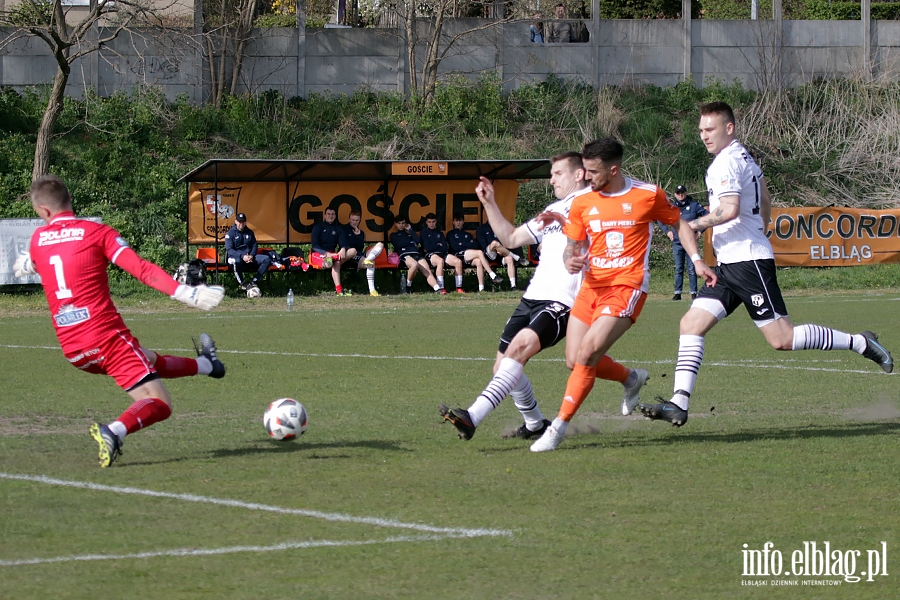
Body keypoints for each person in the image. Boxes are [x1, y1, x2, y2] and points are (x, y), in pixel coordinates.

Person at [639, 102, 893, 427]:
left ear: (729, 128)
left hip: (747, 262)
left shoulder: (727, 162)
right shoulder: (744, 157)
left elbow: (729, 209)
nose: (704, 136)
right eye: (701, 130)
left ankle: (860, 342)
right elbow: (766, 198)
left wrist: (696, 225)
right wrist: (761, 226)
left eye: (710, 129)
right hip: (730, 264)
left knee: (781, 339)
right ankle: (679, 403)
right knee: (691, 325)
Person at [13, 175, 227, 468]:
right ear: (70, 201)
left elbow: (39, 261)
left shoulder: (38, 240)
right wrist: (187, 293)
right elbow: (141, 269)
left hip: (74, 350)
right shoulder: (96, 233)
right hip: (105, 338)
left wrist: (29, 262)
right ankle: (113, 432)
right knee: (161, 403)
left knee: (147, 358)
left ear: (43, 211)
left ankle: (208, 366)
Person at [530, 137, 716, 452]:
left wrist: (697, 261)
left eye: (592, 171)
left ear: (613, 170)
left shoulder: (646, 195)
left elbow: (680, 224)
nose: (586, 178)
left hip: (626, 287)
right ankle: (631, 378)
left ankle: (557, 427)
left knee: (588, 353)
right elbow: (571, 247)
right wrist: (570, 259)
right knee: (574, 360)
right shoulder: (582, 202)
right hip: (591, 288)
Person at [439, 152, 592, 441]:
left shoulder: (593, 205)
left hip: (563, 301)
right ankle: (535, 423)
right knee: (502, 367)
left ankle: (472, 416)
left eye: (558, 173)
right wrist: (489, 203)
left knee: (518, 350)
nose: (551, 179)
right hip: (532, 298)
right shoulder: (553, 210)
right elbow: (510, 239)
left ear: (579, 174)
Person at [659, 184, 708, 301]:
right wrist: (667, 232)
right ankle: (677, 293)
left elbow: (706, 216)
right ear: (675, 194)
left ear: (686, 193)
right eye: (678, 193)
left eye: (682, 193)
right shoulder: (671, 206)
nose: (681, 195)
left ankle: (693, 293)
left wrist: (700, 230)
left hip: (690, 242)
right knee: (679, 268)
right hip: (677, 242)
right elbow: (660, 219)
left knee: (692, 268)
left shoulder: (694, 205)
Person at [446, 213, 502, 292]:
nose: (458, 223)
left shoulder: (467, 234)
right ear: (453, 222)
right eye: (456, 221)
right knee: (479, 253)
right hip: (457, 255)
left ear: (463, 222)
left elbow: (475, 244)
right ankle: (492, 274)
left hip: (467, 255)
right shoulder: (450, 234)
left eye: (460, 221)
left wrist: (462, 244)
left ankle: (481, 288)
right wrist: (467, 245)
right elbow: (455, 247)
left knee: (478, 261)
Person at [389, 214, 443, 294]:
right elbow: (399, 244)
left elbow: (418, 241)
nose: (401, 225)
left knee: (427, 271)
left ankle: (437, 289)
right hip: (405, 254)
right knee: (414, 265)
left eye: (403, 223)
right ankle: (408, 287)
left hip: (416, 253)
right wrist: (411, 242)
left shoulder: (409, 233)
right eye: (399, 223)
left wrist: (410, 230)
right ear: (395, 224)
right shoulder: (393, 235)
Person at [339, 210, 384, 297]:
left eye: (356, 220)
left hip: (359, 254)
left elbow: (360, 247)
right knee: (371, 263)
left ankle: (372, 291)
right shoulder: (344, 230)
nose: (354, 222)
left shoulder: (361, 232)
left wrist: (358, 235)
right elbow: (345, 246)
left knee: (380, 244)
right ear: (349, 219)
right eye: (353, 220)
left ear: (359, 221)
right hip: (349, 256)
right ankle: (372, 290)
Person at [224, 212, 271, 291]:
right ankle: (243, 283)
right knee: (237, 261)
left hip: (249, 257)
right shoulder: (230, 233)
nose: (241, 224)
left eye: (243, 222)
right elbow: (230, 250)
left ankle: (254, 282)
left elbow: (254, 245)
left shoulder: (250, 232)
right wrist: (243, 256)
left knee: (267, 259)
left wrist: (251, 255)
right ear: (235, 221)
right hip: (235, 258)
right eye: (239, 222)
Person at [311, 207, 349, 295]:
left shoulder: (338, 229)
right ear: (325, 215)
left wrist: (343, 249)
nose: (330, 216)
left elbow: (344, 244)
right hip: (318, 253)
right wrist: (326, 253)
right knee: (330, 262)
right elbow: (315, 245)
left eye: (332, 214)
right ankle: (329, 261)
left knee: (339, 261)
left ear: (335, 216)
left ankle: (339, 290)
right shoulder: (318, 227)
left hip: (332, 254)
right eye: (328, 214)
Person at [476, 220, 522, 290]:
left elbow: (505, 241)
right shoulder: (481, 228)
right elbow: (483, 246)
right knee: (494, 243)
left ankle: (513, 286)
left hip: (500, 254)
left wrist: (501, 250)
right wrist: (496, 249)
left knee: (509, 259)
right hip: (488, 253)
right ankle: (515, 256)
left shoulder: (499, 228)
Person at [419, 213, 453, 294]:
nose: (431, 224)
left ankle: (459, 288)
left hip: (442, 253)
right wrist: (438, 244)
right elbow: (427, 248)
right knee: (440, 261)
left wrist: (434, 245)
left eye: (433, 221)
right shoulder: (424, 233)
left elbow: (445, 247)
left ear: (436, 222)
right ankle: (441, 287)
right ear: (426, 222)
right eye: (429, 222)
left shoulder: (440, 233)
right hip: (430, 255)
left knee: (458, 262)